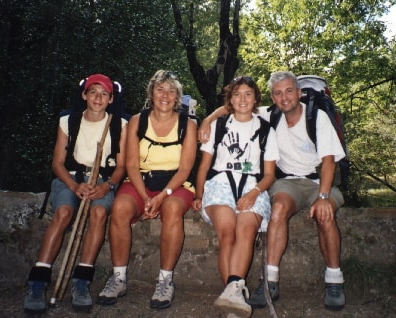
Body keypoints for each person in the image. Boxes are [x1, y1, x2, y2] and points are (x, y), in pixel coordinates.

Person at [198, 71, 346, 311]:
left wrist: (323, 197)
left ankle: (334, 279)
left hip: (319, 181)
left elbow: (329, 162)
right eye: (278, 93)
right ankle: (271, 281)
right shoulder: (269, 114)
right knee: (277, 209)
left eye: (289, 91)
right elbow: (236, 107)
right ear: (271, 98)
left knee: (324, 214)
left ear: (299, 93)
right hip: (287, 182)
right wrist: (208, 120)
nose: (284, 97)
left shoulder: (316, 117)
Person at [23, 74, 128, 313]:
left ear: (111, 98)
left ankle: (81, 281)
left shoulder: (119, 124)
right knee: (62, 213)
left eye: (104, 93)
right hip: (70, 177)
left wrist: (107, 186)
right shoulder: (68, 120)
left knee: (99, 212)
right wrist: (74, 186)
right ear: (84, 95)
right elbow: (57, 163)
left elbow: (121, 166)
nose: (98, 97)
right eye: (93, 92)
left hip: (102, 180)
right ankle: (38, 281)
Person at [97, 70, 197, 310]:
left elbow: (185, 169)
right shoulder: (136, 121)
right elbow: (131, 164)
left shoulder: (188, 124)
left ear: (177, 97)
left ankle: (165, 281)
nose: (165, 95)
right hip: (140, 182)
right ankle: (118, 278)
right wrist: (144, 198)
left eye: (171, 91)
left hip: (174, 185)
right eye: (160, 89)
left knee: (172, 209)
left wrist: (162, 196)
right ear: (151, 93)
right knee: (120, 207)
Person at [192, 76, 279, 318]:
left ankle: (232, 294)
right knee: (227, 231)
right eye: (237, 94)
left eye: (248, 94)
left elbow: (269, 175)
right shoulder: (218, 126)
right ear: (230, 99)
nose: (242, 99)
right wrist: (199, 194)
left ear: (255, 99)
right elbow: (203, 166)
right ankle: (234, 293)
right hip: (220, 183)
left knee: (246, 230)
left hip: (254, 184)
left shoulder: (265, 130)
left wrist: (254, 193)